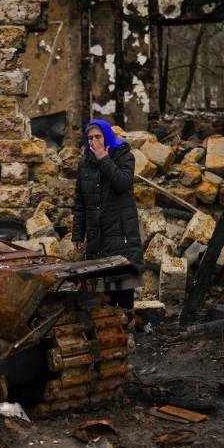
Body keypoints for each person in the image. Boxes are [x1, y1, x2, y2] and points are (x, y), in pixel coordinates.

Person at [72, 118, 141, 309]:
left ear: (107, 137)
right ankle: (109, 328)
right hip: (97, 233)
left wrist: (104, 159)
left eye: (98, 136)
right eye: (90, 138)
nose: (94, 141)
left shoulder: (124, 156)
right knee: (102, 291)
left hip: (120, 232)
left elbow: (123, 183)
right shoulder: (84, 163)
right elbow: (80, 202)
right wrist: (78, 233)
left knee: (123, 284)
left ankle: (127, 330)